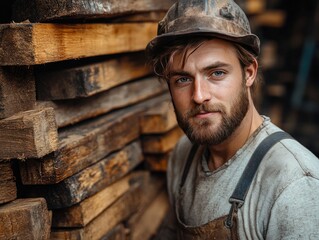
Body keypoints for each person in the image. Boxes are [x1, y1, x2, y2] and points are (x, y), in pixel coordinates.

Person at [145, 0, 319, 239]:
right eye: (182, 79)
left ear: (249, 73)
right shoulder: (183, 156)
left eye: (216, 73)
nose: (198, 96)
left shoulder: (294, 185)